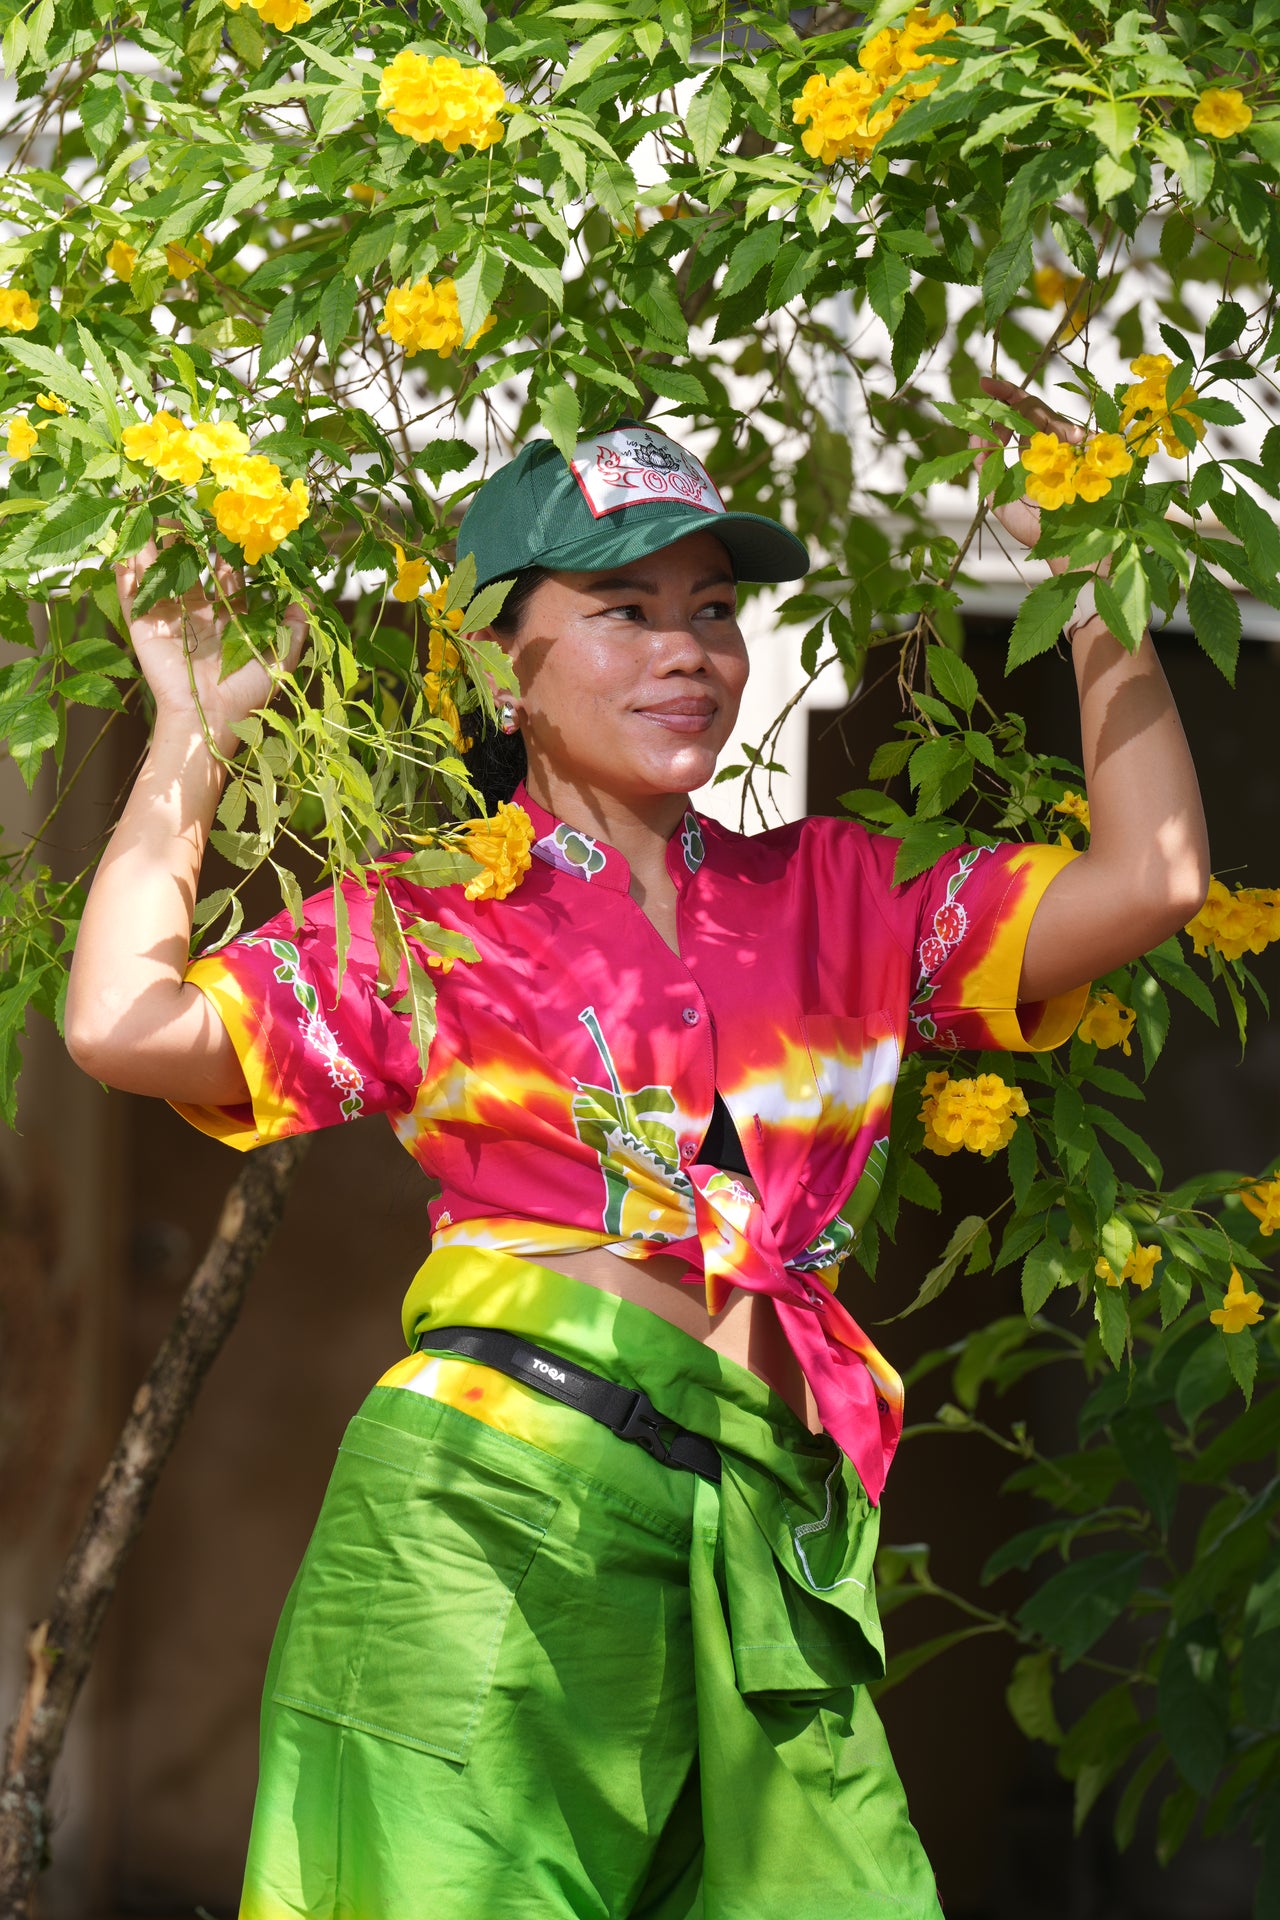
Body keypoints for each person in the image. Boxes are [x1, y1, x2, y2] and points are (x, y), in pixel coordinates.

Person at [65, 396, 1208, 1920]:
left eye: (713, 611)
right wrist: (191, 736)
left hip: (760, 1550)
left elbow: (1155, 877)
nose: (689, 651)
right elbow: (124, 1025)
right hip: (485, 1521)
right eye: (624, 609)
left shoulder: (841, 892)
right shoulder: (434, 921)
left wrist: (1097, 589)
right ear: (500, 665)